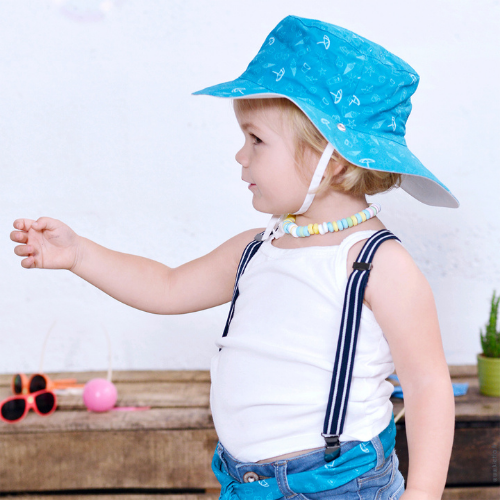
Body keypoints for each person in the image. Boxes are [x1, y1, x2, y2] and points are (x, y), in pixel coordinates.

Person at [11, 15, 457, 500]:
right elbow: (166, 287)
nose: (240, 156)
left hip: (339, 486)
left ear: (335, 159)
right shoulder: (255, 249)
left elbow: (428, 386)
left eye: (257, 140)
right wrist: (80, 254)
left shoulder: (377, 264)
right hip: (244, 483)